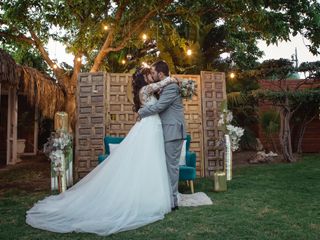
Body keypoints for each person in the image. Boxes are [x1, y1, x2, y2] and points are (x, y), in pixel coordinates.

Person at [26, 68, 177, 236]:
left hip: (152, 127)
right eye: (149, 74)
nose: (152, 76)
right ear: (144, 78)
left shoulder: (146, 90)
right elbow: (162, 84)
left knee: (152, 161)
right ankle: (147, 199)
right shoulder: (145, 89)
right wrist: (173, 79)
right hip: (149, 127)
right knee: (147, 160)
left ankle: (151, 197)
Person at [138, 61, 187, 211]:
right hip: (167, 130)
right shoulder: (165, 86)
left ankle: (173, 202)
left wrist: (140, 113)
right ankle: (166, 198)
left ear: (160, 74)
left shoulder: (171, 87)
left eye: (154, 73)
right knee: (167, 166)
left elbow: (160, 107)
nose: (152, 76)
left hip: (172, 131)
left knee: (172, 167)